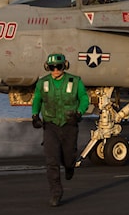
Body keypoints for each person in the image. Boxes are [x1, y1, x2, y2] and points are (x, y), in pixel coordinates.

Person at [31, 53, 90, 206]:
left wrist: (79, 113)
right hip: (50, 125)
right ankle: (56, 192)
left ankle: (70, 167)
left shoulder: (75, 81)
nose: (56, 70)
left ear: (65, 66)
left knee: (69, 158)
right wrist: (35, 115)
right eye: (52, 67)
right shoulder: (42, 83)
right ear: (47, 67)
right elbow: (37, 98)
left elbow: (84, 98)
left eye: (59, 66)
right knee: (52, 160)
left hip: (69, 124)